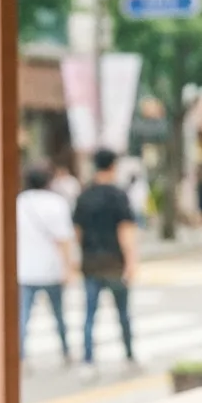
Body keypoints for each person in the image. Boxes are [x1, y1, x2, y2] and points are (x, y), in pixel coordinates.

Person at [72, 148, 138, 379]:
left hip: (90, 261)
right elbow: (125, 231)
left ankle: (88, 360)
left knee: (90, 314)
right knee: (122, 313)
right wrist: (131, 262)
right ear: (113, 166)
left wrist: (78, 255)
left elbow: (77, 231)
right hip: (114, 262)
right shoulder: (118, 195)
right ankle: (129, 357)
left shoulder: (84, 195)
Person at [18, 164, 76, 364]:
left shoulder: (20, 203)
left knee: (23, 315)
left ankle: (20, 354)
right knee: (59, 314)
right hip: (52, 267)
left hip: (25, 268)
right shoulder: (56, 203)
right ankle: (65, 350)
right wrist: (69, 267)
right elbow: (65, 239)